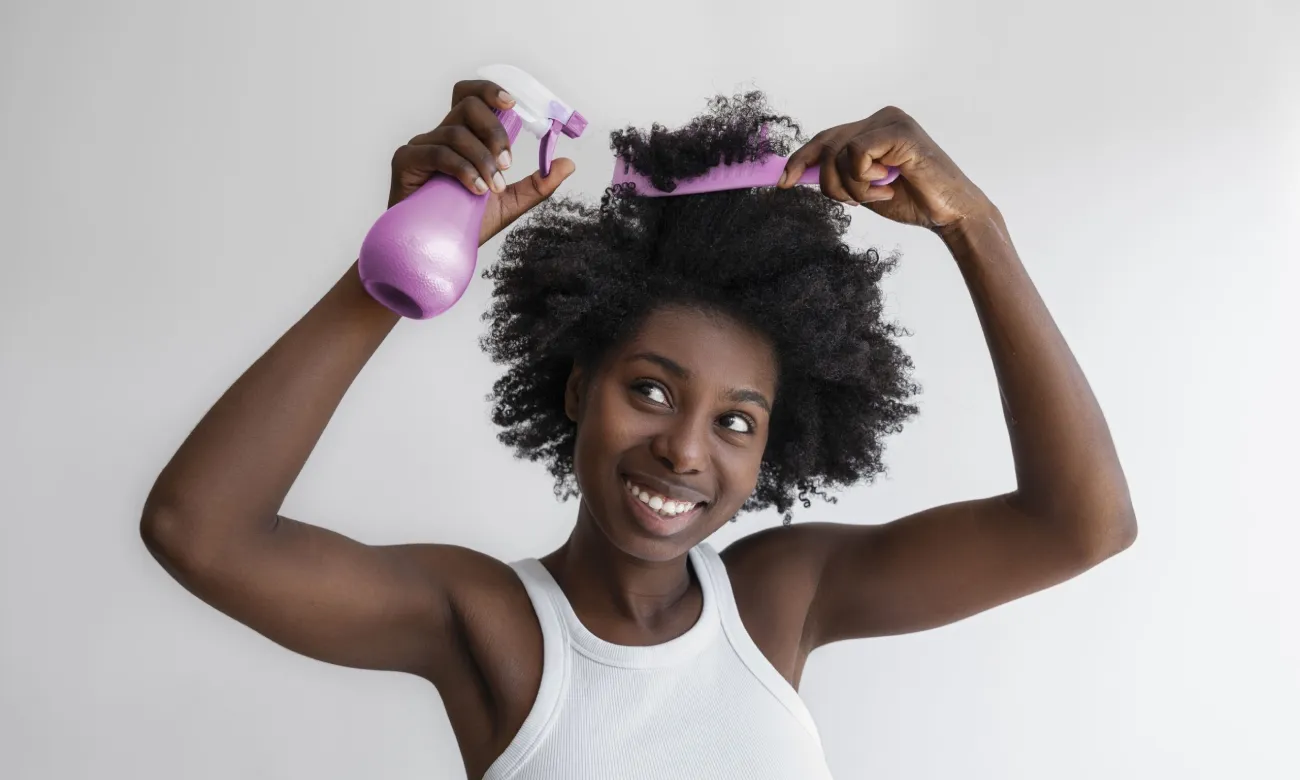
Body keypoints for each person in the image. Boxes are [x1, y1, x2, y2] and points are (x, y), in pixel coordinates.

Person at [140, 76, 1137, 779]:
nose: (685, 448)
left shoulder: (779, 599)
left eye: (737, 420)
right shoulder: (486, 624)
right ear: (578, 389)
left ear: (773, 443)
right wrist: (393, 277)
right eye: (652, 391)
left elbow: (1080, 525)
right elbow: (201, 530)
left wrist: (973, 225)